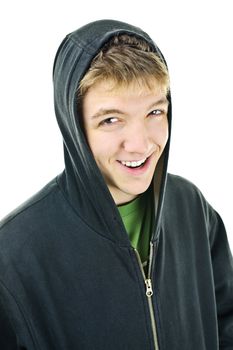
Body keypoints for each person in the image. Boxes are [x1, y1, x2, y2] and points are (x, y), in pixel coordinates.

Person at [0, 19, 232, 350]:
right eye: (111, 120)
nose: (139, 144)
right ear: (75, 127)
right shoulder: (13, 257)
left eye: (154, 112)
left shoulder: (192, 208)